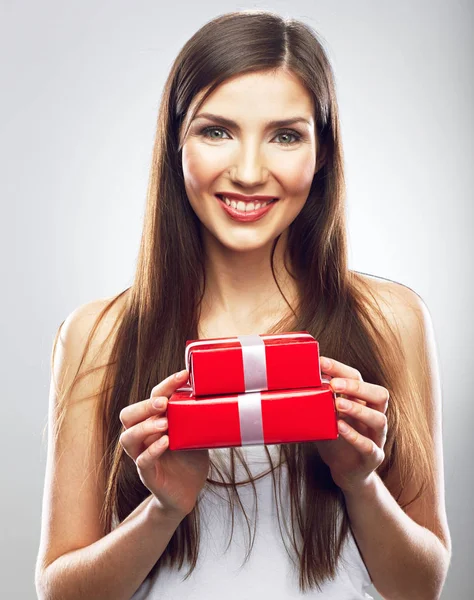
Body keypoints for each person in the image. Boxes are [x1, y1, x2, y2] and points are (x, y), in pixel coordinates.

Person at [35, 10, 452, 600]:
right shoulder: (98, 334)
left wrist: (360, 482)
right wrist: (162, 509)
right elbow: (59, 591)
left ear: (323, 152)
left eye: (285, 135)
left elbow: (420, 587)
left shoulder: (391, 319)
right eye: (216, 131)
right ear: (176, 143)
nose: (250, 172)